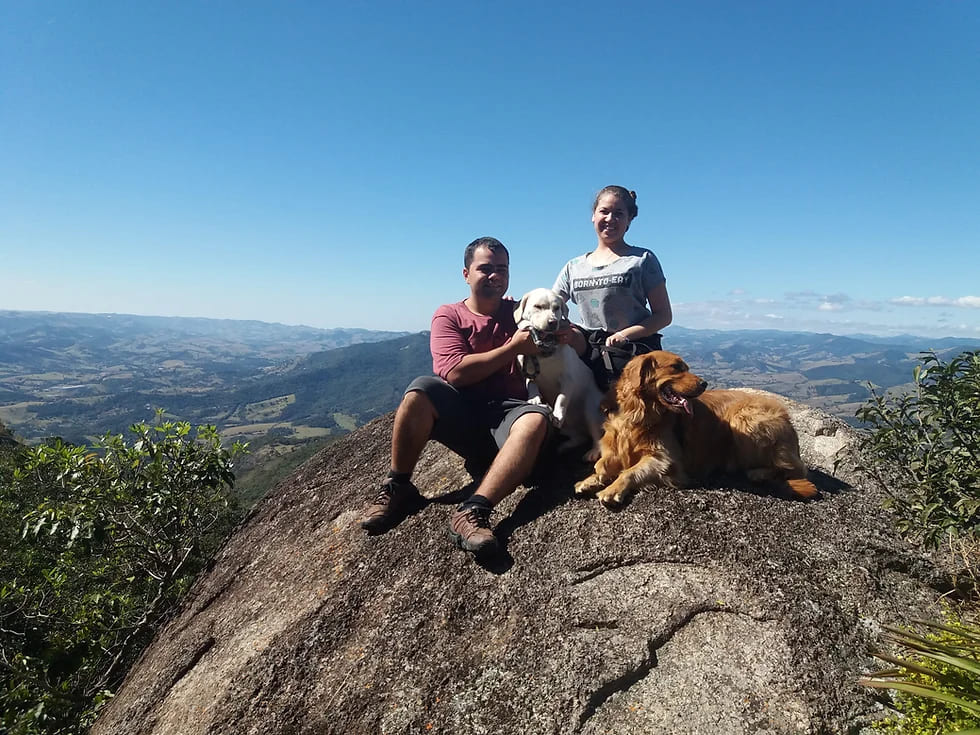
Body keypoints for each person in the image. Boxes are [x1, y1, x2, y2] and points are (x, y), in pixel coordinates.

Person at [359, 236, 552, 555]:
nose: (495, 275)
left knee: (535, 419)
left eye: (502, 269)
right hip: (466, 414)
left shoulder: (522, 311)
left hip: (512, 416)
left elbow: (559, 328)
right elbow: (456, 373)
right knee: (420, 391)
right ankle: (398, 486)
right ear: (466, 274)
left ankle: (473, 511)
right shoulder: (449, 315)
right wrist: (513, 348)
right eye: (485, 268)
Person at [552, 185, 673, 389]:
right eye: (604, 211)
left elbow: (663, 315)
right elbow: (550, 304)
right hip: (588, 356)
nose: (610, 219)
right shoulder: (574, 267)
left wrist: (625, 335)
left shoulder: (642, 259)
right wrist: (515, 305)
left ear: (629, 219)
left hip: (633, 357)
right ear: (593, 215)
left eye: (618, 213)